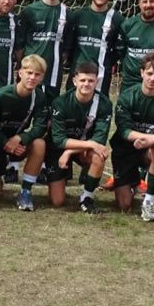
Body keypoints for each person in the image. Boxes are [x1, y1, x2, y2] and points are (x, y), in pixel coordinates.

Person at [112, 51, 154, 222]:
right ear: (142, 73)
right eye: (149, 73)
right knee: (124, 205)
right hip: (125, 149)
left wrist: (152, 140)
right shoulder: (127, 95)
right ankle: (133, 182)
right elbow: (124, 130)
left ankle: (149, 202)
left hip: (148, 149)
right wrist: (150, 137)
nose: (153, 78)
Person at [0, 55, 57, 210]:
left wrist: (20, 138)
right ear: (20, 73)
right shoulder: (1, 96)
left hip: (19, 143)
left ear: (42, 77)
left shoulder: (40, 97)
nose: (32, 77)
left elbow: (40, 127)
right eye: (29, 73)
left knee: (39, 144)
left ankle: (26, 191)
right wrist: (5, 143)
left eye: (37, 74)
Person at [49, 61, 113, 214]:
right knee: (57, 202)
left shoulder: (104, 104)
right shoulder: (61, 102)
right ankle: (59, 175)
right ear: (74, 81)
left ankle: (87, 197)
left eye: (91, 81)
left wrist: (70, 151)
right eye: (83, 80)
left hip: (84, 151)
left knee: (99, 155)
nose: (86, 84)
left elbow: (99, 141)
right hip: (60, 150)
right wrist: (69, 150)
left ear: (97, 81)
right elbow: (59, 140)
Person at [20, 0, 75, 92]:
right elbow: (20, 47)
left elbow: (66, 50)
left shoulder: (68, 14)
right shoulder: (29, 11)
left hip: (53, 74)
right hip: (30, 74)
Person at [70, 0, 124, 95]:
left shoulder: (117, 19)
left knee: (96, 109)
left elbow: (118, 49)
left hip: (101, 75)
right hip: (77, 73)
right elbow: (70, 45)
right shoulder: (78, 15)